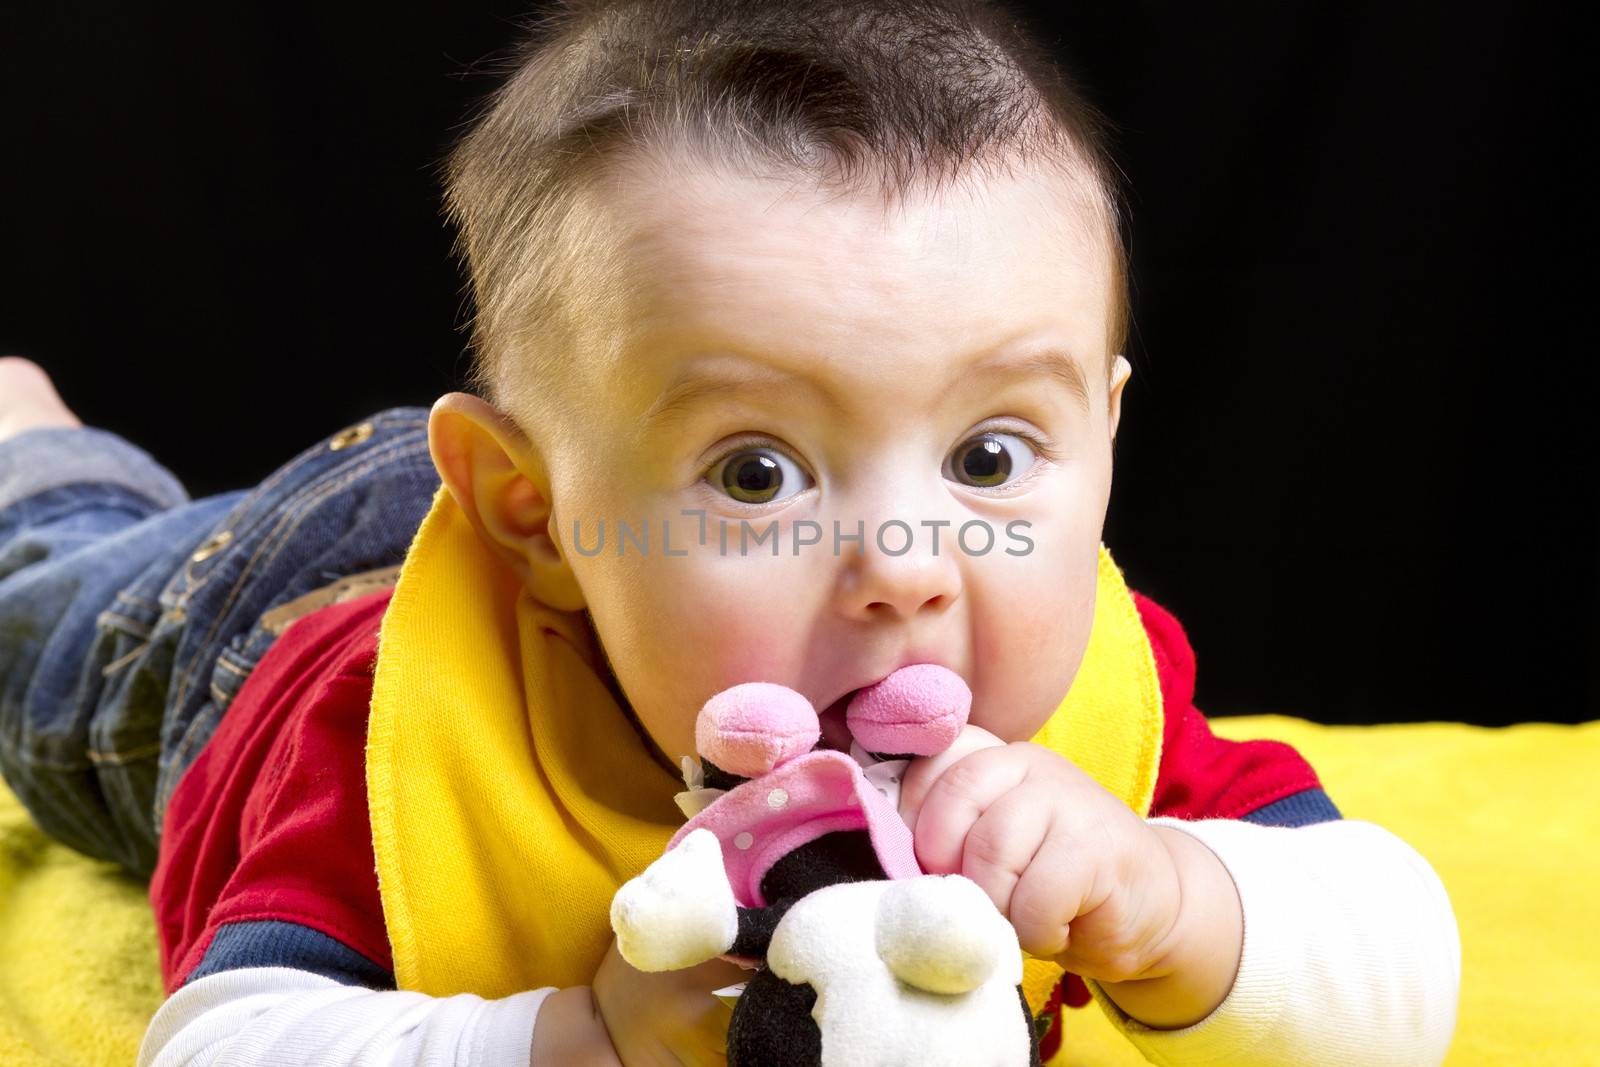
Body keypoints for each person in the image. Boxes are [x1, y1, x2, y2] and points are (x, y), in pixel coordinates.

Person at [0, 1, 1461, 1064]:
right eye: (760, 475)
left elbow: (1402, 963)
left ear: (1106, 434)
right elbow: (226, 1046)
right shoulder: (382, 744)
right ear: (535, 511)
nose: (905, 564)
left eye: (991, 455)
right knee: (56, 590)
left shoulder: (1096, 701)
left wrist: (1172, 903)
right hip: (270, 623)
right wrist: (579, 1040)